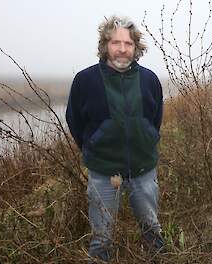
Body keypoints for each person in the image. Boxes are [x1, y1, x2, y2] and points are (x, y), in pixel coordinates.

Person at [65, 15, 164, 262]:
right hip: (103, 172)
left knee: (152, 229)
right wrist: (93, 147)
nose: (122, 49)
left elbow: (155, 119)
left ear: (136, 47)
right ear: (105, 45)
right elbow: (74, 120)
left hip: (143, 169)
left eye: (128, 44)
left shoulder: (150, 79)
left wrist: (147, 138)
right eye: (115, 42)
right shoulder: (85, 80)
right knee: (102, 238)